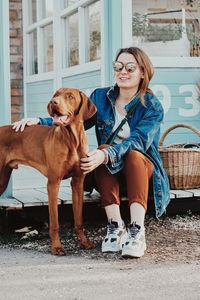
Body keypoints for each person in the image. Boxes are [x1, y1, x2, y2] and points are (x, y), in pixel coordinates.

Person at [12, 47, 170, 258]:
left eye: (130, 67)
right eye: (118, 66)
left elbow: (139, 142)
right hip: (110, 173)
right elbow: (76, 120)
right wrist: (40, 121)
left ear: (143, 73)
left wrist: (106, 155)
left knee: (124, 154)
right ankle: (115, 226)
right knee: (102, 149)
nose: (123, 71)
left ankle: (136, 231)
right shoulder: (101, 97)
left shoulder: (151, 106)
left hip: (140, 172)